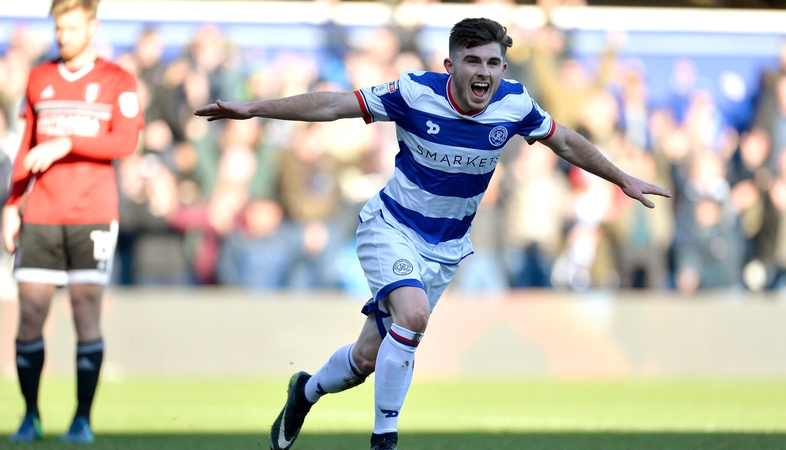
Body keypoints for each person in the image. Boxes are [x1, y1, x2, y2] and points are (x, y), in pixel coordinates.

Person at [195, 18, 671, 450]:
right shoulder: (413, 92)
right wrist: (256, 108)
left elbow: (564, 140)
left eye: (493, 62)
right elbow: (335, 104)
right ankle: (384, 440)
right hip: (391, 226)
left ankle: (306, 391)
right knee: (414, 313)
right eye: (472, 61)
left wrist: (621, 177)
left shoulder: (514, 103)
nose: (484, 72)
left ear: (503, 66)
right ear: (450, 65)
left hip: (444, 249)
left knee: (366, 359)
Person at [4, 0, 144, 443]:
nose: (63, 36)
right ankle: (31, 415)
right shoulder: (40, 77)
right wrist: (11, 203)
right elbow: (27, 143)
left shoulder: (116, 79)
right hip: (41, 212)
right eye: (58, 28)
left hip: (92, 214)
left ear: (93, 26)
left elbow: (124, 140)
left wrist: (67, 143)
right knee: (30, 313)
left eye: (71, 27)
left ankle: (82, 418)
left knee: (85, 310)